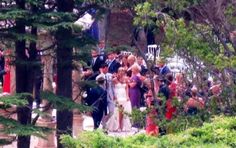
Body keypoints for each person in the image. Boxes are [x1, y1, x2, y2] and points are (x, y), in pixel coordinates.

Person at [106, 67, 132, 132]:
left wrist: (127, 96)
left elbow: (127, 88)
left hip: (124, 96)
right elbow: (112, 88)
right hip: (118, 96)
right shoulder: (115, 79)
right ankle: (118, 126)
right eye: (120, 71)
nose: (121, 72)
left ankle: (122, 126)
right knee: (118, 111)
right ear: (118, 71)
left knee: (124, 111)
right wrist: (114, 96)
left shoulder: (126, 79)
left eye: (123, 71)